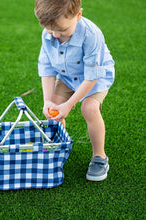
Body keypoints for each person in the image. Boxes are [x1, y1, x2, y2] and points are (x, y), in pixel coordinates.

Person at [35, 0, 115, 181]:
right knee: (53, 109)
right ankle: (58, 148)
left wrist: (69, 104)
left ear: (78, 15)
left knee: (89, 108)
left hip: (94, 77)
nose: (55, 35)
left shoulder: (91, 34)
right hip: (68, 76)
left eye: (62, 30)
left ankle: (100, 157)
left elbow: (92, 75)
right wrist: (48, 101)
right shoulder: (49, 33)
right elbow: (47, 68)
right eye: (50, 30)